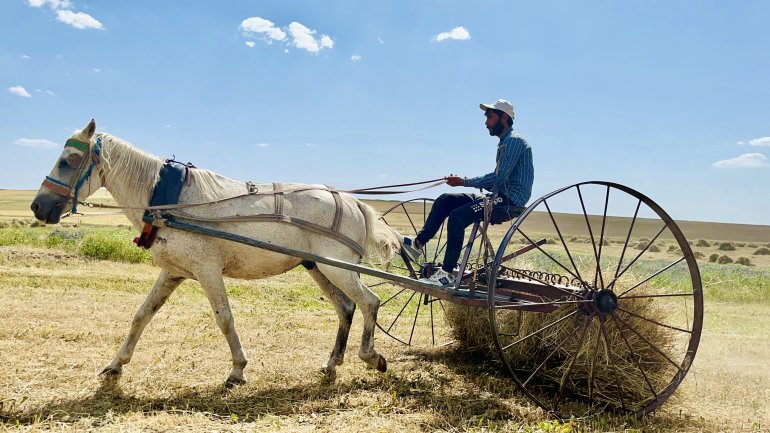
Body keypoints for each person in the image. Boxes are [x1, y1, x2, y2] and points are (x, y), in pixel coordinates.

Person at [403, 99, 534, 287]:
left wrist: (464, 182)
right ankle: (417, 244)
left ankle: (447, 274)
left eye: (490, 116)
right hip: (496, 195)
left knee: (457, 216)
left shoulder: (514, 141)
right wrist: (463, 183)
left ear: (504, 117)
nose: (486, 121)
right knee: (445, 200)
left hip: (508, 200)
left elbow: (499, 178)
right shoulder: (505, 142)